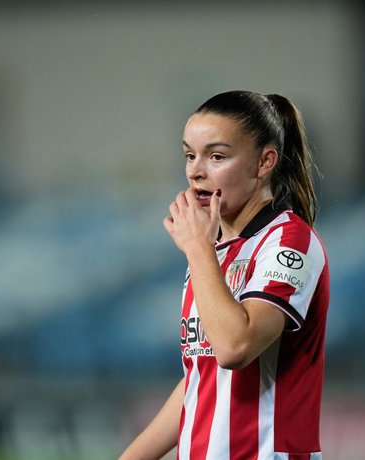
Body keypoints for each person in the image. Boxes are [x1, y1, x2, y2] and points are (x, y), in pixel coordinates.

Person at [120, 90, 330, 459]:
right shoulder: (211, 247)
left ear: (265, 162)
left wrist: (198, 249)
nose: (195, 171)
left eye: (217, 156)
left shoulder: (287, 240)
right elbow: (204, 378)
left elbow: (235, 347)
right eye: (189, 155)